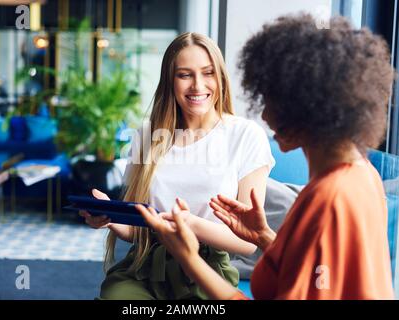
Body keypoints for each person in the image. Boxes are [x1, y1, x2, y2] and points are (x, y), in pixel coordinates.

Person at [137, 14, 395, 300]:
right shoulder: (363, 175)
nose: (264, 114)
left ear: (308, 106)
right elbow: (318, 273)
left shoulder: (328, 200)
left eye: (271, 100)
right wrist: (264, 237)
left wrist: (189, 258)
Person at [79, 32, 275, 299]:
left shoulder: (245, 135)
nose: (197, 85)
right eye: (184, 75)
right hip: (144, 267)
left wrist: (188, 224)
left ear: (220, 77)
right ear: (170, 81)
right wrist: (109, 219)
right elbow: (137, 230)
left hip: (207, 269)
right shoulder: (147, 135)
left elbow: (247, 242)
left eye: (208, 73)